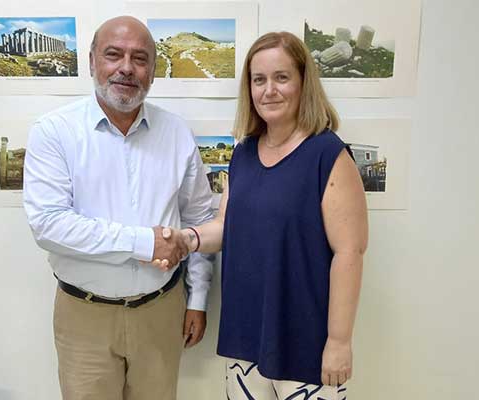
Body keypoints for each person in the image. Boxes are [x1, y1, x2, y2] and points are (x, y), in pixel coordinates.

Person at [156, 31, 368, 399]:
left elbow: (350, 252)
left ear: (303, 82)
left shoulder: (327, 154)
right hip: (247, 336)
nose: (269, 90)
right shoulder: (244, 153)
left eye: (281, 77)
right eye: (259, 80)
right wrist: (187, 239)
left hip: (307, 341)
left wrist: (339, 341)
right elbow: (226, 227)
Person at [23, 16, 213, 400]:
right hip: (85, 318)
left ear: (153, 71)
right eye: (114, 54)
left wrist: (197, 299)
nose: (127, 67)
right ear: (92, 61)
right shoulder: (54, 131)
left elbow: (198, 218)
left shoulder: (176, 132)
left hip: (162, 311)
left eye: (140, 58)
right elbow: (49, 225)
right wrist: (145, 243)